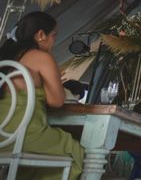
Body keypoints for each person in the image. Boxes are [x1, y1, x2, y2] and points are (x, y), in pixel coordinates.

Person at [0, 11, 84, 180]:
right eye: (53, 35)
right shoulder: (42, 57)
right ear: (40, 35)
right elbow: (57, 101)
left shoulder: (6, 56)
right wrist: (55, 82)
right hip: (25, 136)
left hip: (3, 137)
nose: (54, 41)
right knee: (79, 151)